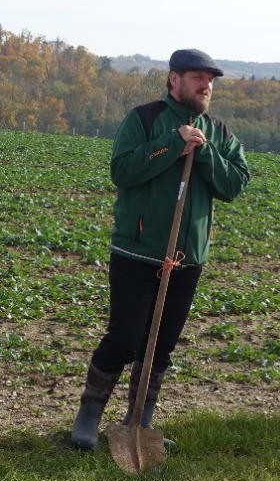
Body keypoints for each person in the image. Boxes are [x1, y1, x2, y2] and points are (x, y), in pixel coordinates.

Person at [70, 48, 250, 451]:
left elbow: (235, 183)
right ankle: (89, 415)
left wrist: (203, 153)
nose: (206, 86)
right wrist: (173, 143)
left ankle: (140, 421)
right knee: (126, 337)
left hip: (187, 259)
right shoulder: (145, 119)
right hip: (138, 252)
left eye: (211, 80)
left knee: (163, 344)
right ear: (174, 79)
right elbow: (123, 169)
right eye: (198, 78)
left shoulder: (218, 132)